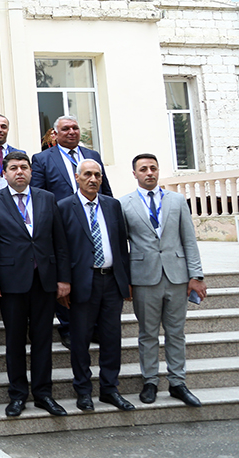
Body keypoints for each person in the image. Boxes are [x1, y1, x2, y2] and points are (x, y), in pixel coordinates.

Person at [0, 152, 70, 418]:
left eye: (24, 167)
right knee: (15, 341)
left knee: (43, 340)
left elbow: (60, 242)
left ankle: (44, 394)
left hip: (44, 282)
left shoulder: (47, 198)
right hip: (10, 284)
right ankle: (18, 395)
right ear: (4, 174)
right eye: (13, 168)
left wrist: (63, 278)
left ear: (31, 171)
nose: (19, 172)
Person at [119, 153, 206, 407]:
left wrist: (196, 275)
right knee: (147, 333)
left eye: (153, 168)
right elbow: (121, 245)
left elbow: (189, 239)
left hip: (177, 276)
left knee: (176, 332)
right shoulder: (124, 204)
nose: (149, 173)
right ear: (134, 174)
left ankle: (178, 382)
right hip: (144, 278)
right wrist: (125, 280)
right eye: (143, 169)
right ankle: (150, 381)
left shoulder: (177, 201)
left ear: (158, 171)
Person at [57, 159, 134, 412]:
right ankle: (83, 391)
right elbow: (61, 249)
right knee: (80, 340)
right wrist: (64, 282)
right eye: (87, 174)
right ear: (77, 178)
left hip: (111, 281)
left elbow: (122, 246)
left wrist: (127, 280)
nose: (93, 179)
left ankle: (110, 389)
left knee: (112, 338)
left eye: (97, 175)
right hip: (81, 283)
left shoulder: (113, 206)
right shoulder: (64, 207)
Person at [31, 114, 111, 348]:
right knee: (64, 274)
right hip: (61, 226)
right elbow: (39, 195)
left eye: (75, 128)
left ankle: (94, 326)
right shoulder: (43, 159)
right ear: (56, 134)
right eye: (66, 129)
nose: (72, 132)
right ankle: (67, 326)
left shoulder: (92, 156)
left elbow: (105, 189)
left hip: (92, 223)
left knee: (91, 273)